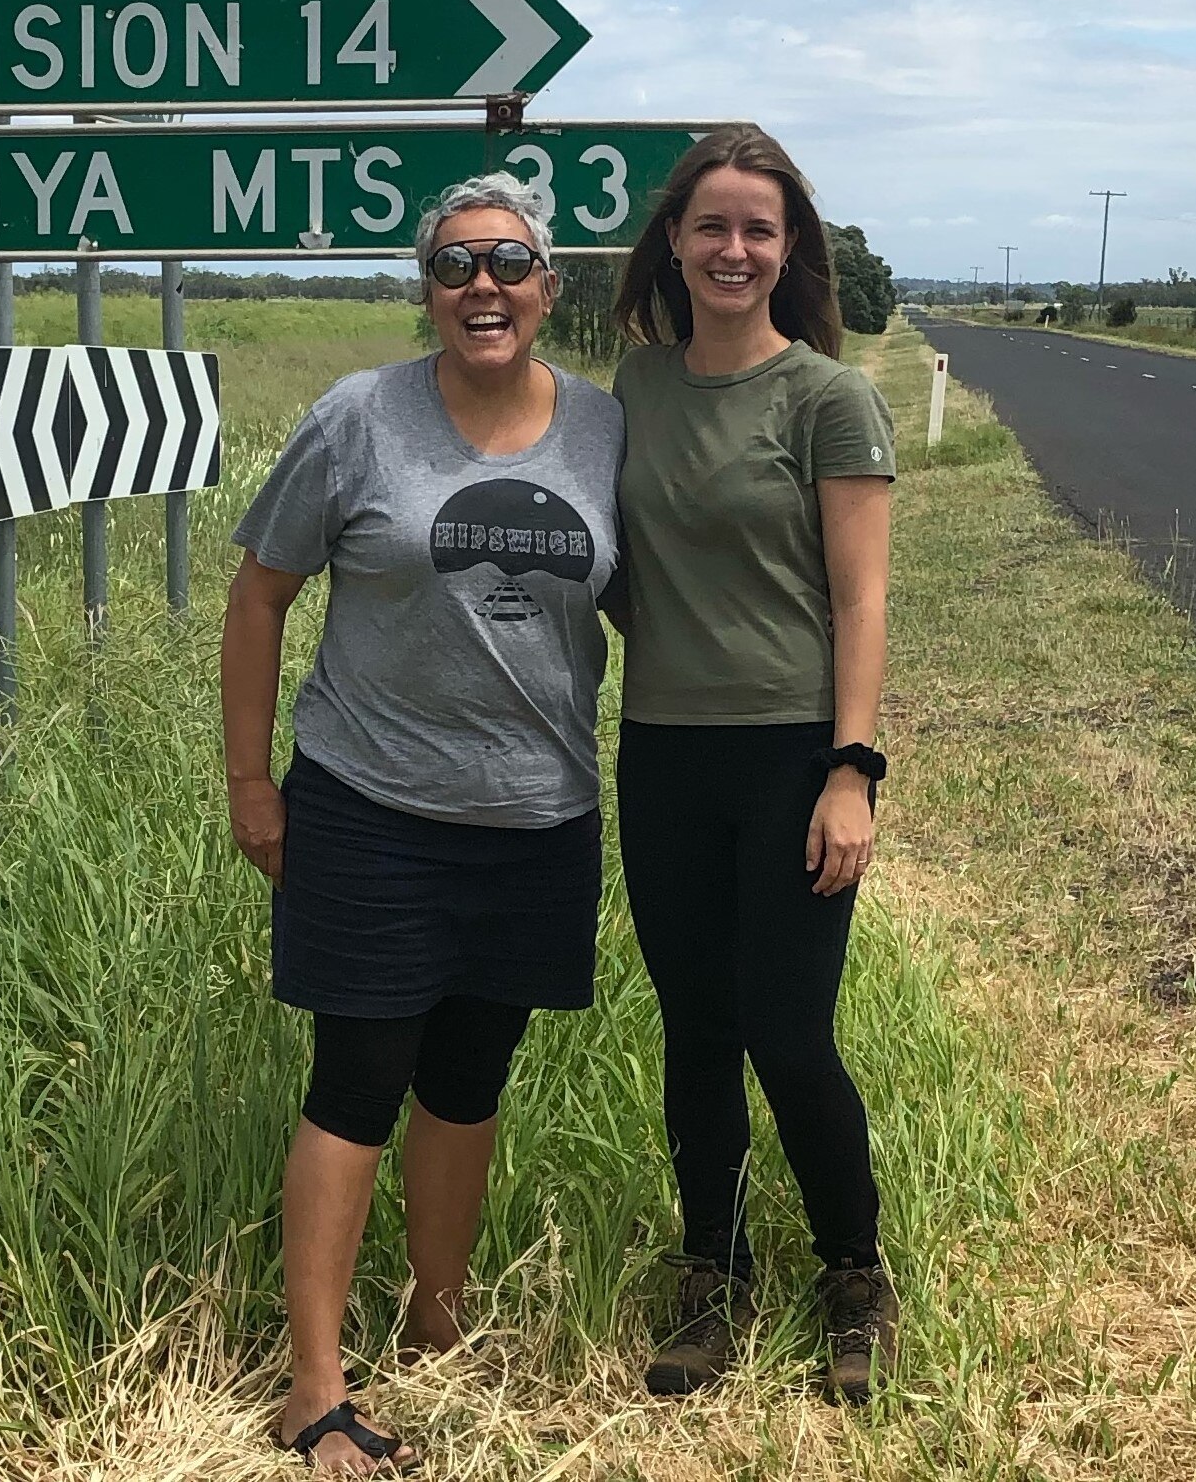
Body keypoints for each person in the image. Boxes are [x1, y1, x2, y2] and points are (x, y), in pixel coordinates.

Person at [221, 173, 624, 1474]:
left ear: (550, 286)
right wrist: (250, 781)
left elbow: (664, 608)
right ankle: (317, 1387)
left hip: (537, 817)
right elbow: (257, 596)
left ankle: (441, 1332)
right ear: (426, 290)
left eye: (508, 262)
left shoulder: (608, 434)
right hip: (369, 810)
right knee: (357, 1083)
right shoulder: (358, 422)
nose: (482, 287)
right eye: (454, 267)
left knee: (467, 1083)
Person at [605, 125, 900, 1403]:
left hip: (791, 754)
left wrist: (851, 769)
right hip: (661, 749)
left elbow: (862, 598)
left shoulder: (827, 397)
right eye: (712, 226)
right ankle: (711, 1274)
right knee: (695, 1029)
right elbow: (622, 567)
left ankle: (852, 1271)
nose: (734, 249)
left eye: (759, 230)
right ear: (673, 240)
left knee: (787, 1031)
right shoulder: (631, 391)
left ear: (791, 253)